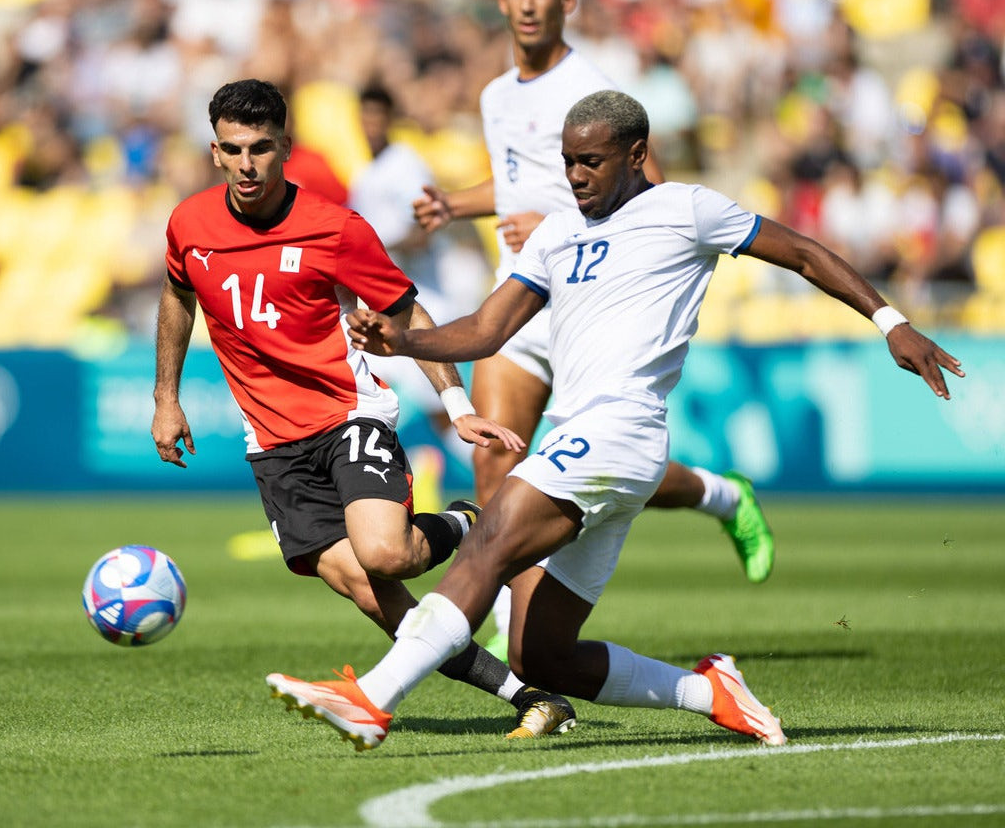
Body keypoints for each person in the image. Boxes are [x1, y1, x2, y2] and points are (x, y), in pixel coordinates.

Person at [266, 89, 964, 751]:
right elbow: (485, 328)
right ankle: (709, 692)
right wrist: (406, 341)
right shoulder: (557, 234)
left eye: (590, 160)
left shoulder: (687, 209)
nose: (573, 174)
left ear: (635, 154)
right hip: (588, 443)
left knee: (488, 541)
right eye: (567, 160)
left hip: (619, 432)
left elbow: (806, 254)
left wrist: (891, 322)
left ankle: (374, 700)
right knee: (543, 654)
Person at [151, 78, 578, 739]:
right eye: (233, 149)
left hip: (349, 415)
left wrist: (455, 401)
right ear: (214, 152)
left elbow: (408, 314)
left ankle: (471, 526)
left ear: (285, 148)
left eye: (261, 148)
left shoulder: (335, 229)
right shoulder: (190, 224)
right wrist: (166, 398)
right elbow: (179, 297)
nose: (247, 164)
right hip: (271, 445)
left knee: (385, 553)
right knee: (376, 596)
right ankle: (527, 696)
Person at [411, 0, 774, 659]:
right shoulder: (494, 95)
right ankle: (517, 643)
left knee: (594, 467)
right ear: (501, 1)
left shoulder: (592, 86)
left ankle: (719, 495)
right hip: (520, 296)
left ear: (565, 1)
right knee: (496, 467)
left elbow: (652, 196)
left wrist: (551, 219)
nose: (526, 5)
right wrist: (458, 204)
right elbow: (514, 184)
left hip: (589, 301)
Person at [346, 84, 492, 513]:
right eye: (365, 117)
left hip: (419, 304)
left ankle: (495, 479)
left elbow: (426, 226)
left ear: (390, 120)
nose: (370, 126)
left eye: (377, 118)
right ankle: (407, 479)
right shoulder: (364, 174)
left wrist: (378, 252)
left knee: (445, 416)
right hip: (384, 306)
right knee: (380, 398)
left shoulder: (405, 165)